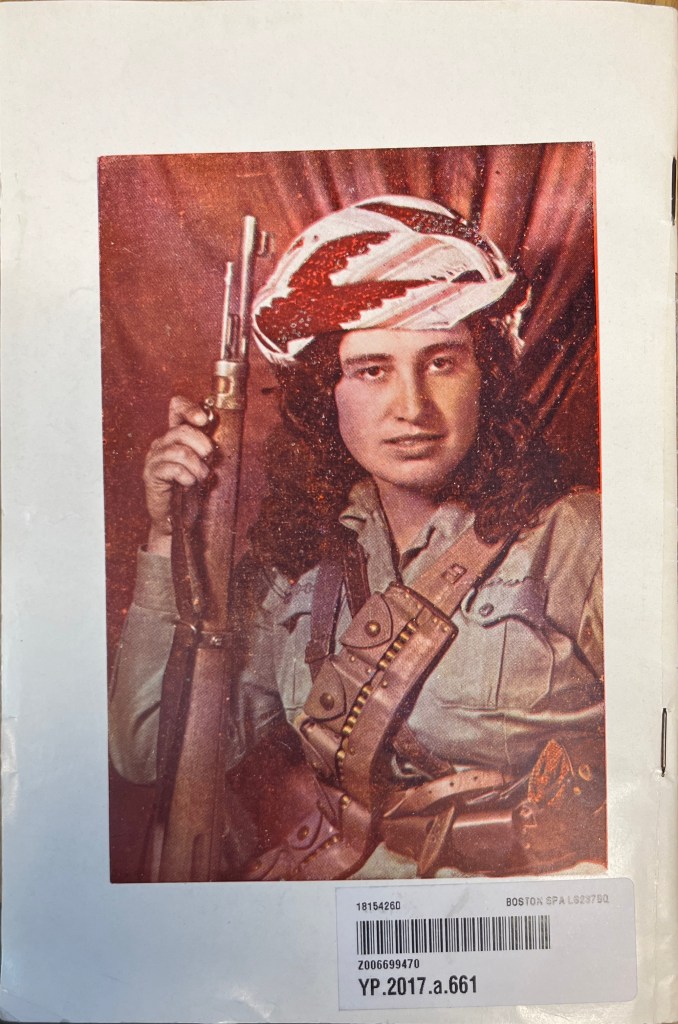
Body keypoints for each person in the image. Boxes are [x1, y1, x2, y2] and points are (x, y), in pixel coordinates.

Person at [109, 195, 605, 880]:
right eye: (371, 369)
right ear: (326, 392)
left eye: (442, 362)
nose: (412, 408)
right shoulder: (306, 558)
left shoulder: (579, 540)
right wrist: (170, 541)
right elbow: (146, 751)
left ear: (485, 377)